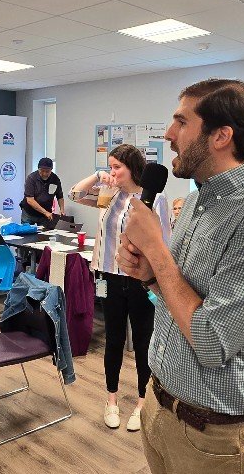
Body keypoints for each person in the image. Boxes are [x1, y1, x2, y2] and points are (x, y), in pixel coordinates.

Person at [117, 79, 244, 473]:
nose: (168, 134)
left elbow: (212, 341)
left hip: (212, 436)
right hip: (159, 404)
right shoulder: (201, 198)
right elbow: (179, 298)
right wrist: (151, 277)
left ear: (222, 136)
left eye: (181, 122)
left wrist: (156, 250)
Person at [70, 144, 170, 432]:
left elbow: (164, 241)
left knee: (142, 342)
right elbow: (76, 194)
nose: (112, 172)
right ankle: (111, 399)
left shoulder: (154, 199)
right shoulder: (109, 196)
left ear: (132, 168)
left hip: (139, 280)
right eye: (110, 166)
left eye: (117, 167)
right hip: (108, 278)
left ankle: (142, 402)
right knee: (113, 340)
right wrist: (98, 175)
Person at [21, 157, 64, 225]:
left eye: (47, 171)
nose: (44, 173)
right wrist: (45, 212)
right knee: (26, 233)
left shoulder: (55, 179)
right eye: (42, 171)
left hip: (45, 214)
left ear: (51, 170)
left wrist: (62, 209)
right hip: (29, 213)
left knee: (44, 234)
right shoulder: (31, 178)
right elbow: (30, 200)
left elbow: (60, 196)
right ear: (38, 169)